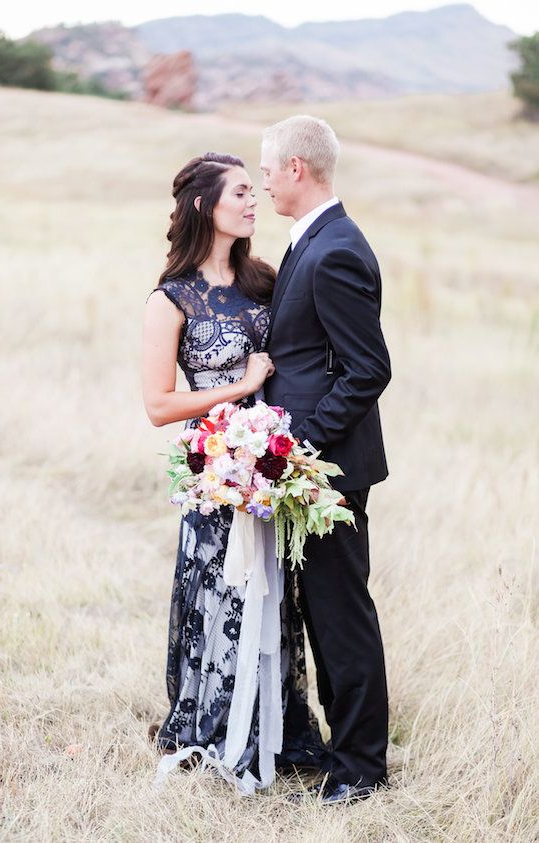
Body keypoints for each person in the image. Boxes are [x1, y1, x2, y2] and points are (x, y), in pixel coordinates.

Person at [142, 152, 326, 795]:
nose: (255, 201)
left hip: (274, 466)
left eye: (255, 190)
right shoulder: (171, 300)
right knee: (220, 596)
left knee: (274, 598)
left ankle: (275, 732)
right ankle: (216, 729)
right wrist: (241, 388)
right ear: (204, 206)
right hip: (214, 472)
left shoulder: (265, 282)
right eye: (242, 192)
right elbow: (159, 405)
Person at [261, 116, 392, 804]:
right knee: (323, 612)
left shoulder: (335, 249)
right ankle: (344, 750)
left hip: (328, 472)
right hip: (316, 469)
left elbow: (368, 369)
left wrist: (301, 447)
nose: (262, 182)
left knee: (342, 616)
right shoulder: (314, 240)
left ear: (295, 169)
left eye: (267, 169)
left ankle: (362, 769)